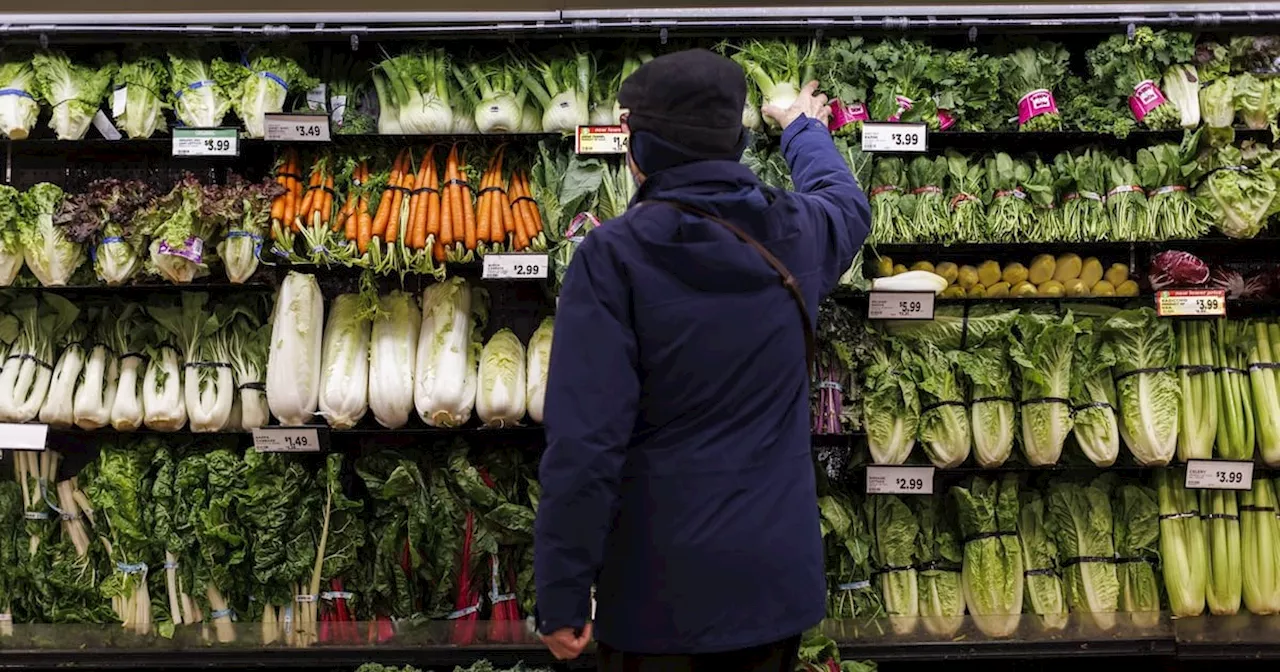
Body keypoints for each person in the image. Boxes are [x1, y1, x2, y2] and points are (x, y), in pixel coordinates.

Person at [534, 48, 871, 672]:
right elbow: (847, 201)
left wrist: (560, 590)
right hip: (774, 583)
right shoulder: (796, 230)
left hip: (658, 592)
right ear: (738, 141)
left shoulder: (611, 257)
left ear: (640, 153)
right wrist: (801, 127)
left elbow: (585, 443)